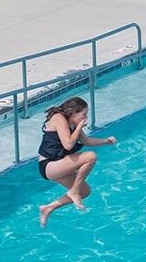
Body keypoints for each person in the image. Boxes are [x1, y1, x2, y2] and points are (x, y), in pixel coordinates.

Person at [37, 96, 117, 226]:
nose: (85, 117)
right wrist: (79, 126)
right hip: (49, 165)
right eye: (84, 114)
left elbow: (86, 141)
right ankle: (73, 191)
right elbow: (68, 144)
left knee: (85, 191)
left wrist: (106, 141)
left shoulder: (73, 124)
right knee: (90, 156)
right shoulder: (59, 118)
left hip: (60, 164)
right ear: (74, 112)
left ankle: (48, 208)